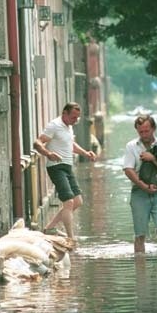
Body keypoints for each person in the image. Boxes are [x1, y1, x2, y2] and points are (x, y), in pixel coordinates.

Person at [33, 102, 96, 239]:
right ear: (64, 114)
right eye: (73, 117)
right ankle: (71, 238)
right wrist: (48, 154)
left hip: (68, 167)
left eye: (77, 118)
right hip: (56, 167)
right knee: (68, 202)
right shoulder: (54, 125)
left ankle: (50, 228)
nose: (75, 121)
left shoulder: (68, 126)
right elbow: (37, 142)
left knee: (78, 201)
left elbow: (70, 144)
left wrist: (85, 153)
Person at [123, 114, 157, 253]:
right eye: (141, 132)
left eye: (147, 131)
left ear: (154, 128)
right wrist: (143, 186)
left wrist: (153, 159)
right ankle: (141, 270)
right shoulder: (131, 146)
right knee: (140, 235)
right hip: (139, 192)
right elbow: (128, 169)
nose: (144, 134)